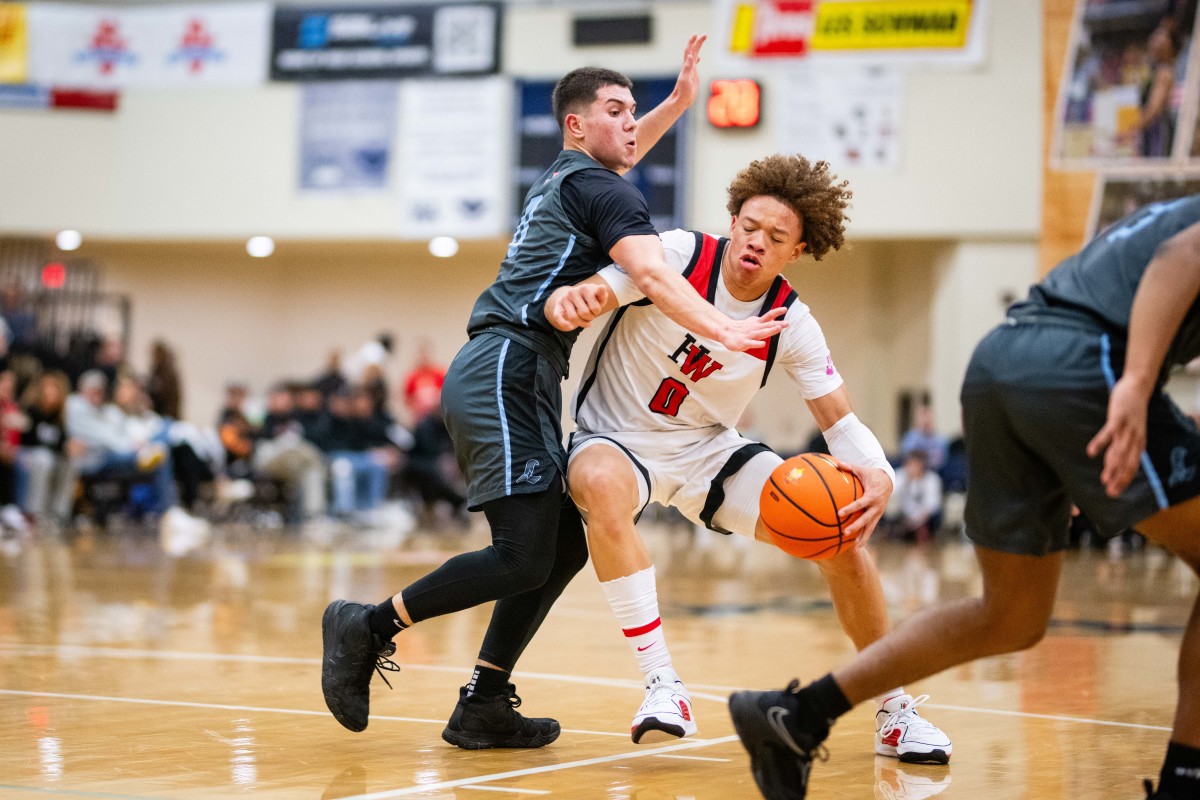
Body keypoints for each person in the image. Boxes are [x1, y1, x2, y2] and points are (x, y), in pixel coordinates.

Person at [320, 35, 788, 748]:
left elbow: (623, 148)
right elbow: (659, 277)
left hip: (518, 370)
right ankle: (365, 625)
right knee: (520, 554)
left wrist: (676, 106)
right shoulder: (605, 189)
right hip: (506, 366)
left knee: (562, 539)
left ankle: (483, 700)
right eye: (616, 110)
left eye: (636, 111)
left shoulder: (571, 176)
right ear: (576, 124)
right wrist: (725, 326)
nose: (633, 124)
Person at [727, 195, 1200, 800]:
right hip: (1082, 365)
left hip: (1002, 360)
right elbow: (1183, 257)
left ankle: (796, 715)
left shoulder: (1162, 211)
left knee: (1010, 617)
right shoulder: (1182, 229)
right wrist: (1133, 383)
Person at [556, 153, 950, 759]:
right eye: (750, 226)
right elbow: (607, 286)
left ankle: (896, 712)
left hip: (708, 452)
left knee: (842, 537)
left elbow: (839, 420)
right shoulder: (681, 254)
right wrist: (581, 298)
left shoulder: (791, 320)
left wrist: (878, 472)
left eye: (776, 237)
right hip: (615, 438)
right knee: (602, 484)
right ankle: (663, 687)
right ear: (732, 220)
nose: (756, 243)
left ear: (797, 250)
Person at [884, 450, 943, 544]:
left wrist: (916, 521)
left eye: (917, 465)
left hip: (923, 518)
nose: (913, 468)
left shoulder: (932, 479)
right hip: (902, 516)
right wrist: (908, 481)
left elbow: (932, 505)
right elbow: (891, 494)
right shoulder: (899, 475)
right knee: (890, 504)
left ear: (923, 466)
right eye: (910, 464)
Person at [898, 404, 948, 472]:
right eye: (922, 417)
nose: (925, 420)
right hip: (914, 472)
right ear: (917, 420)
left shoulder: (941, 439)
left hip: (935, 472)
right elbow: (907, 458)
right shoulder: (910, 438)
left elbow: (941, 461)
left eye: (928, 417)